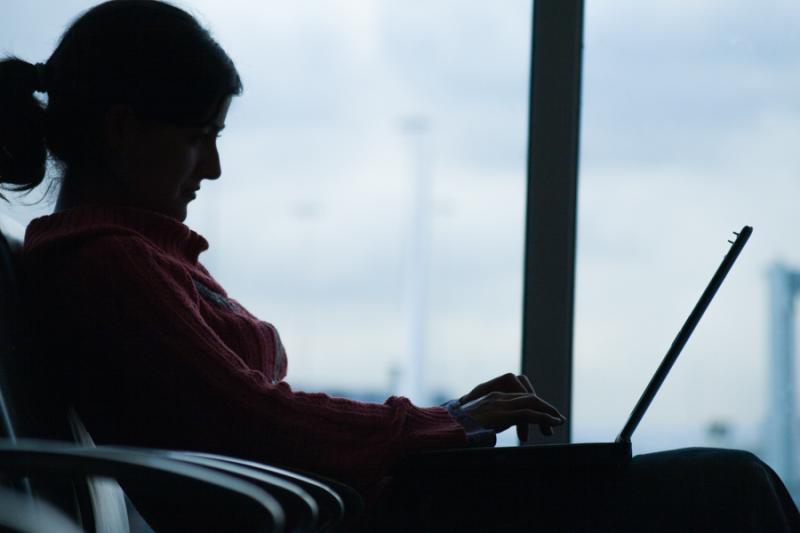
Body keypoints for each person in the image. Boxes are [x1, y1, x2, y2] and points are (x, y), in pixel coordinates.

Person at [0, 1, 797, 531]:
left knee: (724, 485)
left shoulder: (122, 262)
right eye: (198, 136)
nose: (210, 169)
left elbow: (248, 419)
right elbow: (259, 423)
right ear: (122, 129)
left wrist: (449, 419)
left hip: (355, 504)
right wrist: (449, 423)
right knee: (728, 488)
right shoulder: (109, 268)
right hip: (360, 514)